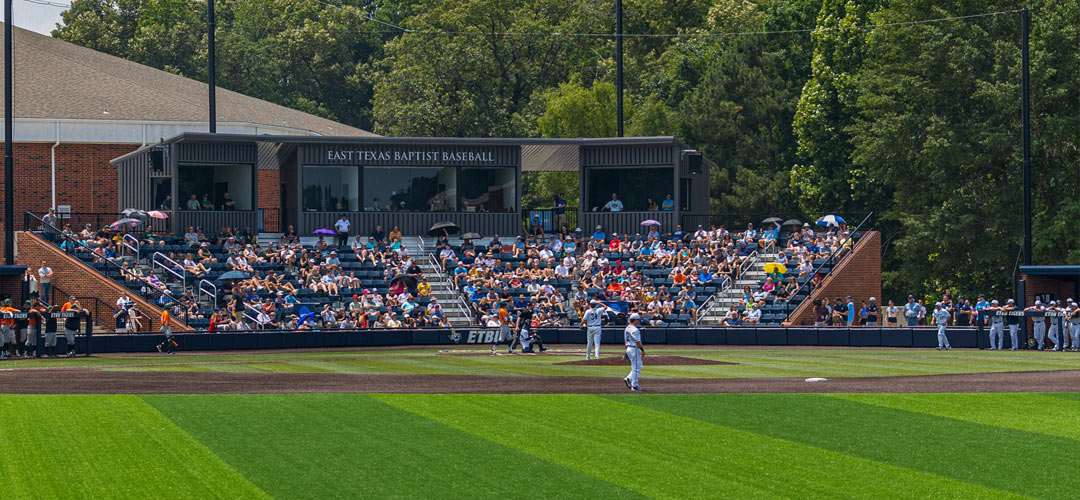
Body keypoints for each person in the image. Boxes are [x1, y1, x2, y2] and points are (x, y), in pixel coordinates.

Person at [623, 313, 645, 391]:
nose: (638, 321)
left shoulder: (627, 328)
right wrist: (642, 350)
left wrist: (626, 350)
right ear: (635, 320)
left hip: (629, 348)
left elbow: (625, 340)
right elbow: (638, 342)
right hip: (634, 349)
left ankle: (628, 378)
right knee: (636, 368)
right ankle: (634, 385)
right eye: (638, 320)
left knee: (638, 366)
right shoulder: (634, 329)